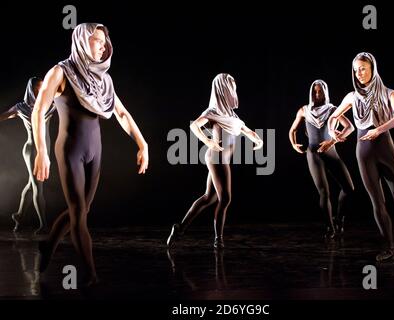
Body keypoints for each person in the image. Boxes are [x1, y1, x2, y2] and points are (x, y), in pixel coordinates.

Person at [32, 23, 149, 285]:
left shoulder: (103, 80)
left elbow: (121, 113)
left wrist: (143, 144)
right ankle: (90, 275)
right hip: (70, 149)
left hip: (94, 151)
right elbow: (39, 111)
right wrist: (42, 151)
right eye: (96, 40)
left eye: (105, 41)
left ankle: (48, 244)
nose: (103, 45)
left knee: (83, 210)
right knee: (77, 211)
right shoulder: (60, 72)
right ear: (82, 41)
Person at [328, 52, 394, 261]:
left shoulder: (389, 93)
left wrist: (379, 130)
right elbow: (334, 116)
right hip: (364, 153)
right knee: (378, 202)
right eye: (355, 70)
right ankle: (390, 247)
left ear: (372, 68)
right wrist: (333, 130)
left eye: (362, 68)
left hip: (385, 148)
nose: (359, 73)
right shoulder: (353, 96)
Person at [167, 73, 263, 249]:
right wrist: (208, 141)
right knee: (225, 198)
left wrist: (258, 140)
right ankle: (219, 239)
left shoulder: (233, 117)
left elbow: (247, 130)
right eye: (230, 87)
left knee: (209, 197)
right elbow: (194, 125)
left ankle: (179, 229)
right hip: (217, 158)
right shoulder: (212, 112)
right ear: (222, 89)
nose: (233, 90)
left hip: (221, 158)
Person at [289, 80, 354, 239]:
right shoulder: (304, 110)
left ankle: (338, 219)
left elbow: (350, 127)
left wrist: (332, 141)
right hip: (313, 153)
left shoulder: (333, 110)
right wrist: (293, 144)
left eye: (320, 92)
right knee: (324, 192)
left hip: (330, 151)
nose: (318, 95)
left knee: (349, 189)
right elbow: (292, 130)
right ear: (312, 93)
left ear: (325, 92)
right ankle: (330, 228)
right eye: (315, 92)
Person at [0, 77, 55, 233]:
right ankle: (43, 225)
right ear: (31, 89)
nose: (41, 90)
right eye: (38, 87)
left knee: (32, 184)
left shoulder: (49, 105)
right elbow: (3, 116)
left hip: (45, 150)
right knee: (38, 186)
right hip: (32, 150)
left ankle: (18, 216)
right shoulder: (22, 107)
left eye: (43, 87)